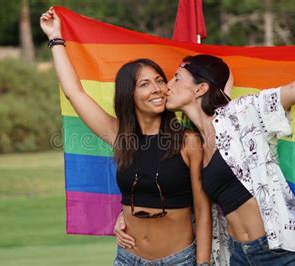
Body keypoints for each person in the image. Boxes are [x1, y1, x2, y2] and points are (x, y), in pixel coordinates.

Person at [116, 43, 295, 265]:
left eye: (176, 78)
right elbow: (168, 189)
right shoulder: (191, 141)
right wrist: (124, 216)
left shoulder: (242, 115)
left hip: (283, 251)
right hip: (239, 255)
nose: (167, 87)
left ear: (200, 89)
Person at [40, 7, 212, 265]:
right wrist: (55, 38)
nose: (157, 89)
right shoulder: (120, 137)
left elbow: (202, 209)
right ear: (128, 95)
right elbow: (74, 92)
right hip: (128, 259)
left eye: (159, 80)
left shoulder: (188, 141)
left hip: (179, 260)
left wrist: (203, 263)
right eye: (144, 84)